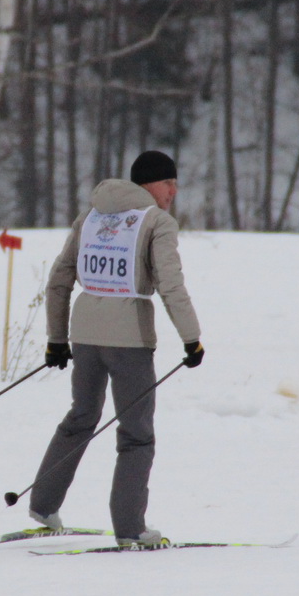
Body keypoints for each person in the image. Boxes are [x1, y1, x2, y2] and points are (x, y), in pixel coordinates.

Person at [27, 150, 203, 548]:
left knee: (81, 418)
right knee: (137, 434)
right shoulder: (157, 222)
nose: (173, 191)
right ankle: (130, 528)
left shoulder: (91, 216)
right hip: (130, 340)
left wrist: (57, 339)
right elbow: (170, 285)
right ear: (146, 184)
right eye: (167, 183)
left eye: (176, 183)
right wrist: (191, 339)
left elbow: (60, 278)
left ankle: (43, 504)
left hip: (85, 335)